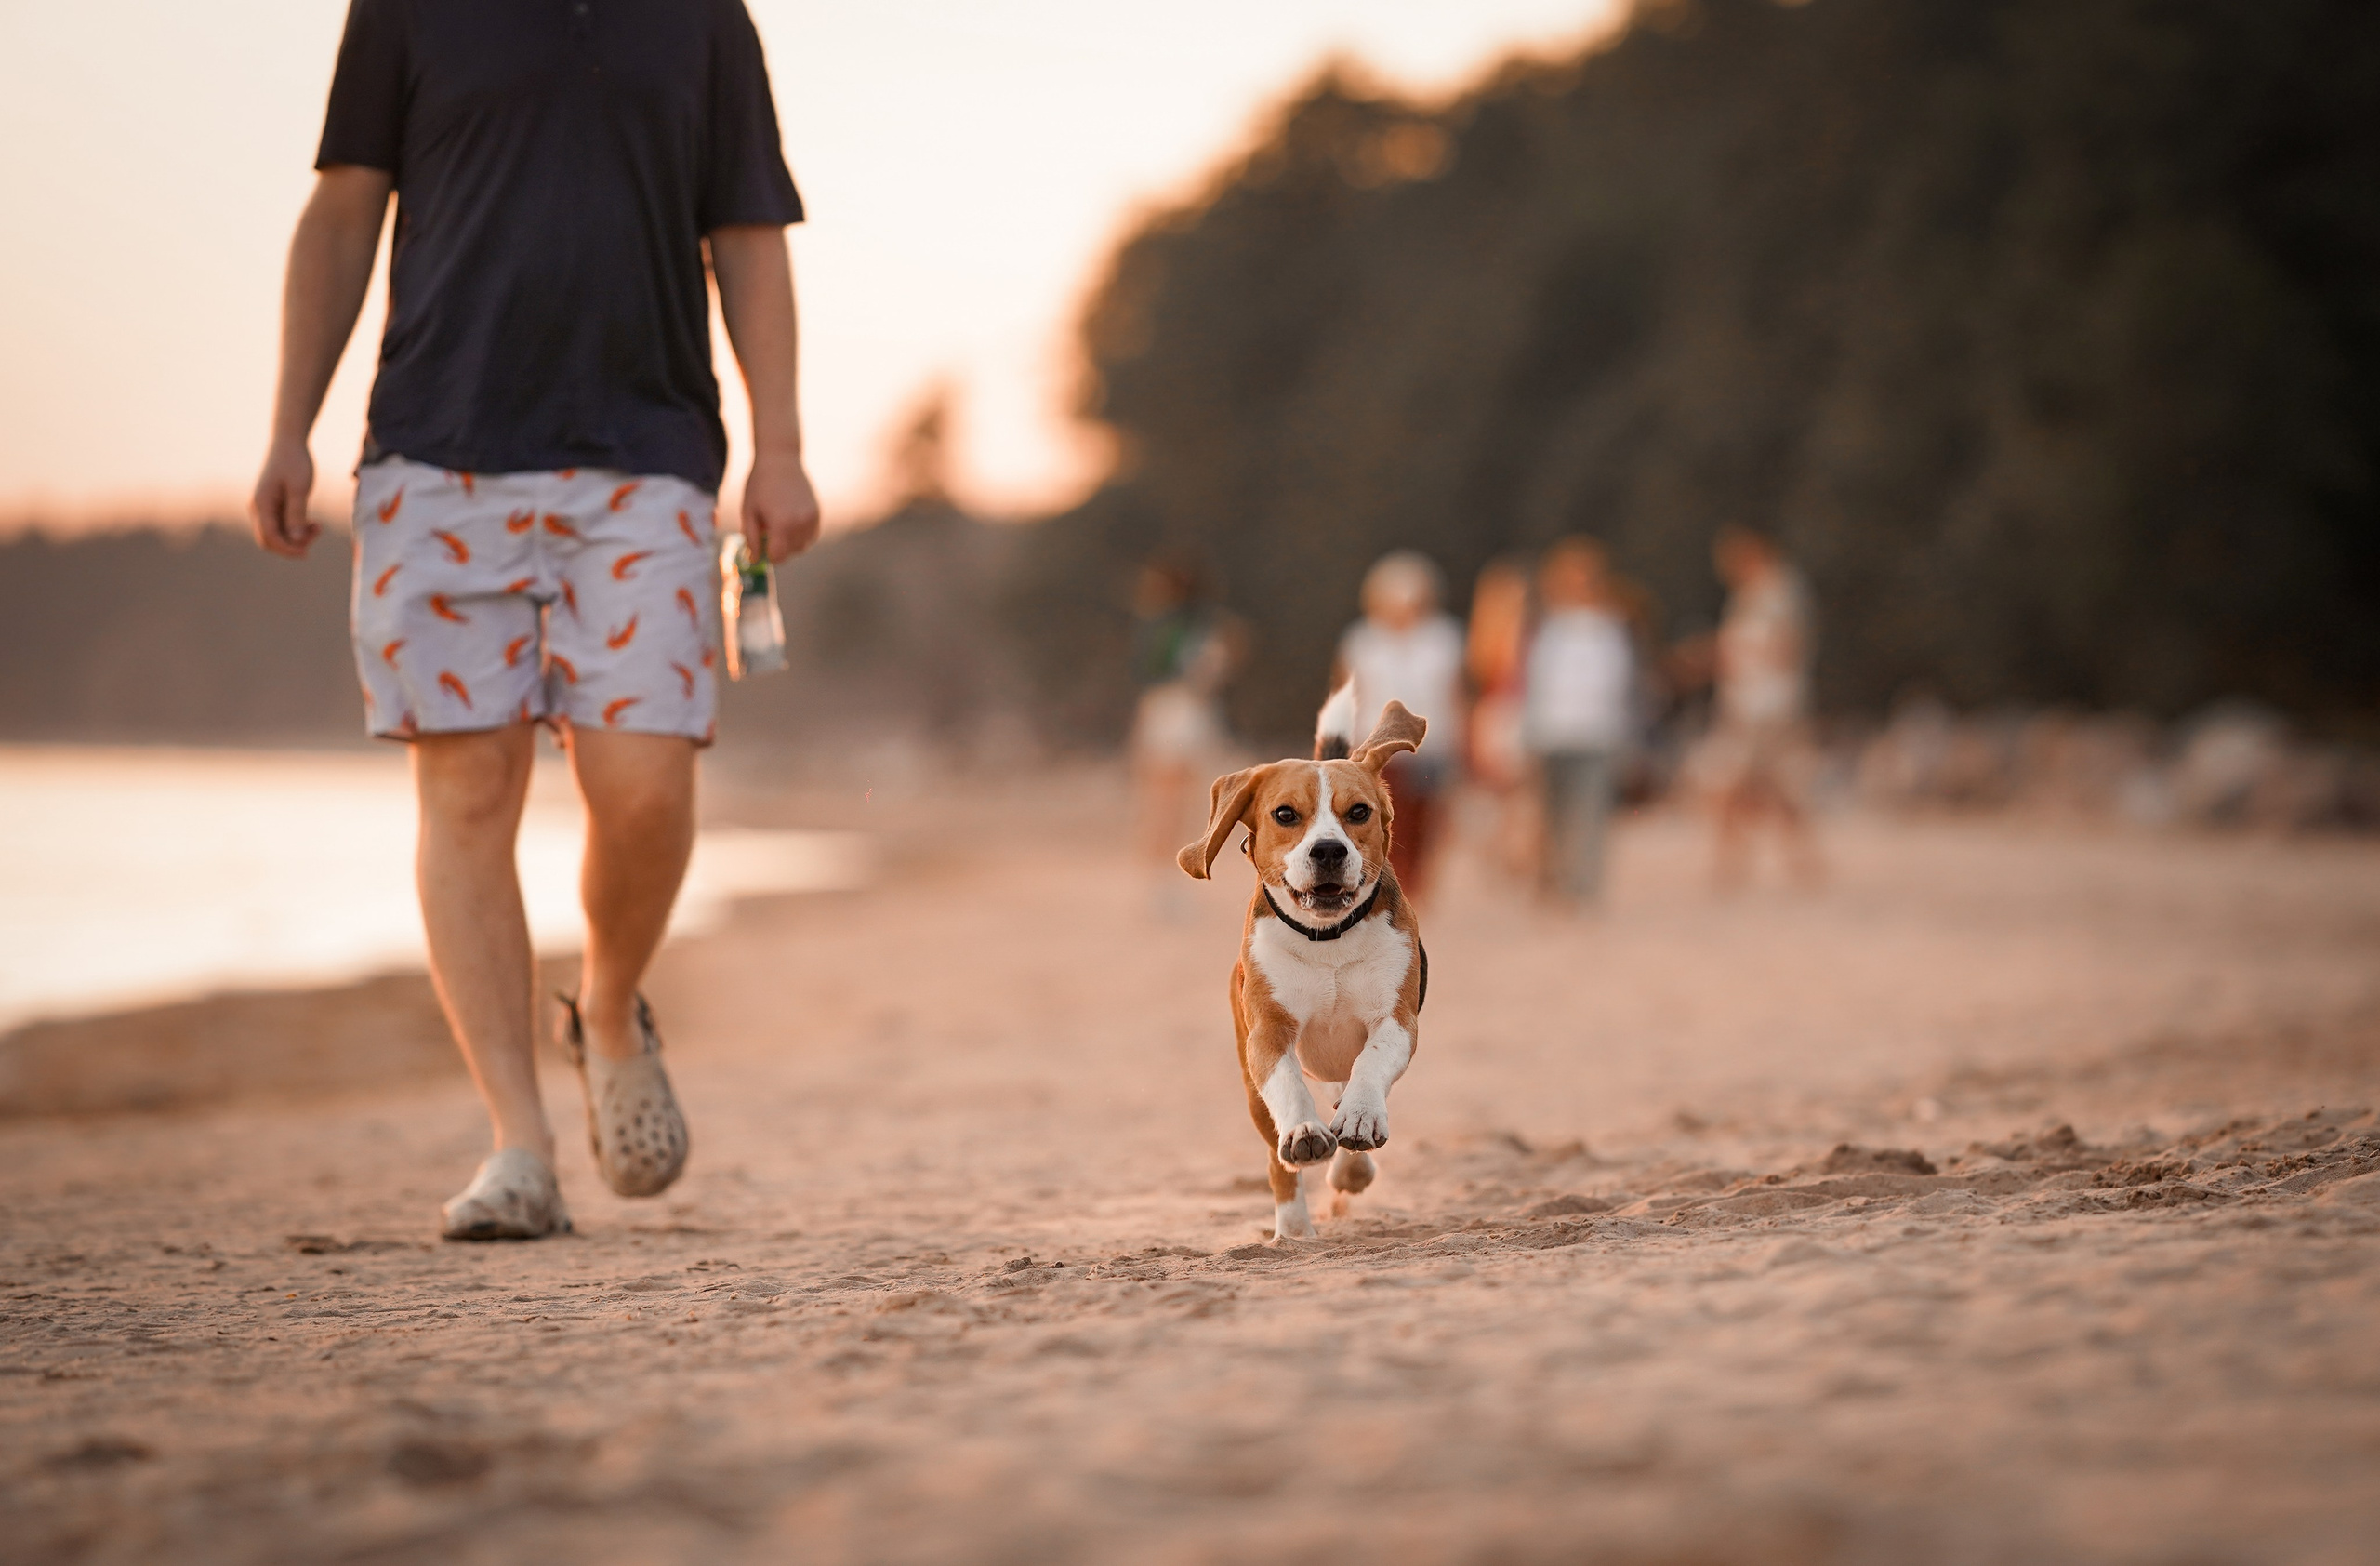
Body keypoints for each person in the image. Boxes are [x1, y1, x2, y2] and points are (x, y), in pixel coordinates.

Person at [248, 0, 821, 1241]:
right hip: (438, 450)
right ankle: (517, 1144)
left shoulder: (703, 19)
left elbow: (750, 232)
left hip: (647, 456)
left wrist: (779, 445)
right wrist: (290, 421)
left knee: (648, 784)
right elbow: (345, 209)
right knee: (464, 795)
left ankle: (607, 1008)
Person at [1334, 551, 1465, 902]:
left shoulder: (1443, 638)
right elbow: (1346, 692)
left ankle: (1416, 886)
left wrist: (1464, 739)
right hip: (1376, 744)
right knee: (1384, 819)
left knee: (1425, 818)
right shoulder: (1363, 639)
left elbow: (1455, 692)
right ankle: (1388, 884)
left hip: (1432, 741)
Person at [1700, 524, 1823, 889]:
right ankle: (1795, 861)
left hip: (1766, 707)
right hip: (1750, 705)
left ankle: (1733, 864)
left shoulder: (1778, 591)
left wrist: (1730, 652)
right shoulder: (1754, 595)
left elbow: (1784, 647)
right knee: (1768, 787)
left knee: (1734, 784)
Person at [1522, 537, 1636, 905]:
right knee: (1552, 816)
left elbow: (1620, 682)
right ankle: (1554, 882)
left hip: (1595, 733)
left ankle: (1584, 887)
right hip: (1551, 733)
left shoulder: (1610, 627)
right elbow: (1533, 683)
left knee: (1589, 814)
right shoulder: (1546, 626)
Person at [1128, 563, 1241, 915]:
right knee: (1171, 804)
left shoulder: (1178, 629)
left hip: (1176, 713)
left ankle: (1165, 882)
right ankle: (1164, 882)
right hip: (1179, 713)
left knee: (1171, 804)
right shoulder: (1199, 628)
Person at [1464, 559, 1535, 881]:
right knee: (1507, 791)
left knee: (1519, 794)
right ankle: (1507, 852)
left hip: (1516, 713)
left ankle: (1515, 853)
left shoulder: (1527, 632)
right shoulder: (1491, 638)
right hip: (1505, 714)